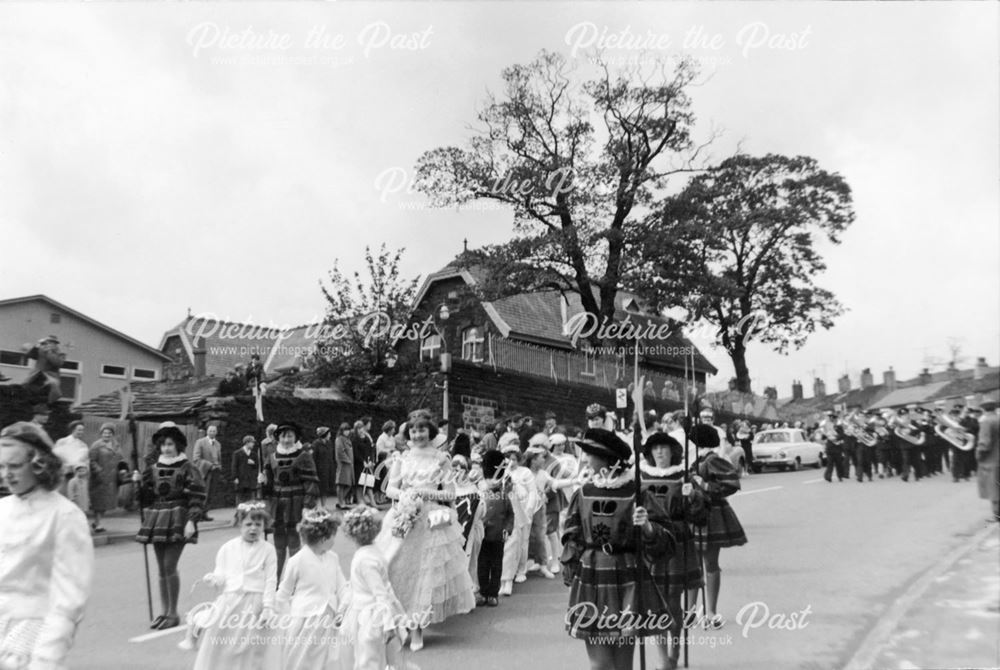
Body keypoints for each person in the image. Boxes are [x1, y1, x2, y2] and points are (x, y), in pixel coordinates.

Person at [561, 428, 677, 670]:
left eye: (590, 455)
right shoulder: (584, 492)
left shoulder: (637, 493)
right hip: (592, 575)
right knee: (600, 665)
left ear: (605, 459)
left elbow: (667, 543)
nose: (586, 460)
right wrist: (571, 566)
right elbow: (572, 534)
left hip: (628, 575)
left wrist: (646, 526)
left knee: (623, 664)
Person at [375, 411, 476, 651]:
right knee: (395, 567)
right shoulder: (403, 457)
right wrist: (407, 495)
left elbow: (450, 494)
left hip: (431, 519)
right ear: (408, 433)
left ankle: (417, 628)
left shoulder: (442, 458)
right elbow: (390, 489)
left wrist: (425, 493)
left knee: (424, 573)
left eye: (422, 430)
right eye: (413, 430)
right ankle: (394, 623)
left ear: (430, 432)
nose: (417, 434)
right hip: (404, 516)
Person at [0, 422, 95, 669]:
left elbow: (70, 596)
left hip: (32, 633)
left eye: (14, 466)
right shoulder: (2, 509)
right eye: (2, 466)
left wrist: (47, 657)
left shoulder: (64, 515)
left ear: (38, 464)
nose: (6, 474)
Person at [640, 432, 708, 670]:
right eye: (655, 448)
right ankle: (662, 659)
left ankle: (674, 652)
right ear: (650, 453)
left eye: (664, 448)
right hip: (651, 542)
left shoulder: (684, 477)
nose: (660, 452)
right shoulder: (641, 478)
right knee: (654, 603)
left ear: (673, 452)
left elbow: (700, 517)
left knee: (672, 602)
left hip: (677, 544)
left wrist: (693, 497)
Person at [183, 501, 277, 669]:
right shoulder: (228, 548)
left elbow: (271, 580)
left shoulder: (268, 550)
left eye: (258, 524)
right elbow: (221, 574)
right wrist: (214, 579)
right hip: (230, 600)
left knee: (249, 644)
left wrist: (268, 606)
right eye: (248, 524)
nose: (253, 528)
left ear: (264, 526)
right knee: (222, 639)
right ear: (240, 524)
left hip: (254, 602)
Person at [134, 422, 207, 630]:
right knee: (161, 569)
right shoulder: (154, 468)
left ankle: (173, 613)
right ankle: (164, 612)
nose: (166, 448)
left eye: (170, 445)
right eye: (163, 445)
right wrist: (138, 482)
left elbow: (198, 496)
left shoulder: (188, 468)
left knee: (169, 565)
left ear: (177, 446)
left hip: (178, 517)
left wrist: (192, 520)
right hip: (157, 516)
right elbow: (145, 497)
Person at [687, 424, 747, 630]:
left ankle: (711, 610)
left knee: (710, 563)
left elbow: (732, 484)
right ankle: (690, 610)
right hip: (694, 513)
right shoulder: (696, 460)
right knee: (693, 566)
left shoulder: (713, 460)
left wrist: (704, 486)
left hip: (711, 514)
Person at [275, 507, 349, 670]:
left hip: (329, 617)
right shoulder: (297, 561)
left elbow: (342, 585)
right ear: (323, 538)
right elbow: (284, 591)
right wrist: (279, 615)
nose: (334, 541)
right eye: (333, 536)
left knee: (329, 659)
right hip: (305, 620)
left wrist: (344, 605)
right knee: (302, 659)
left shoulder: (333, 558)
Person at [341, 506, 408, 670]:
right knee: (368, 657)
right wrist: (343, 607)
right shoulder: (373, 551)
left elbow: (380, 594)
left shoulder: (366, 560)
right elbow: (354, 585)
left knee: (369, 659)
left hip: (370, 617)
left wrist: (388, 623)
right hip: (365, 611)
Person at [263, 422, 319, 580]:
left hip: (296, 502)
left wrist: (308, 505)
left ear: (296, 438)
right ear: (277, 438)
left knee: (294, 543)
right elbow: (268, 484)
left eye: (289, 436)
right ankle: (274, 581)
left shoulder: (304, 456)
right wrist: (263, 482)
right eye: (283, 436)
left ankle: (295, 580)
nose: (286, 439)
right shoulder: (272, 456)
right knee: (278, 544)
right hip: (277, 504)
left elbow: (311, 482)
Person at [499, 435, 537, 595]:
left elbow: (533, 492)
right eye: (508, 459)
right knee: (509, 543)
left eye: (514, 459)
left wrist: (528, 510)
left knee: (523, 541)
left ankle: (521, 570)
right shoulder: (501, 472)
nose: (511, 462)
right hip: (508, 511)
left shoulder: (525, 472)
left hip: (523, 509)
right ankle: (506, 573)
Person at [452, 454, 486, 599]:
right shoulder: (449, 488)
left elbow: (482, 512)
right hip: (454, 532)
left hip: (473, 531)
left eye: (459, 470)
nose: (455, 473)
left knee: (472, 560)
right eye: (453, 470)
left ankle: (472, 590)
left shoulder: (475, 490)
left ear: (466, 471)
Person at [89, 422, 124, 533]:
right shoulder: (96, 445)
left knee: (106, 502)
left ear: (112, 434)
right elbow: (91, 460)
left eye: (109, 433)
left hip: (112, 478)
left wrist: (123, 468)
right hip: (99, 478)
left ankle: (96, 522)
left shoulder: (116, 445)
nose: (107, 435)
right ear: (101, 433)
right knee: (98, 501)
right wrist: (99, 471)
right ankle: (98, 523)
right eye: (104, 433)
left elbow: (121, 458)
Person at [53, 420, 91, 513]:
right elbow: (54, 457)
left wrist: (82, 467)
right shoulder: (62, 442)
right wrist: (65, 466)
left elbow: (85, 461)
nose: (81, 432)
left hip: (76, 475)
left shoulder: (83, 445)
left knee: (75, 498)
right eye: (79, 430)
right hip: (63, 474)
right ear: (73, 430)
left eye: (82, 430)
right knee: (62, 496)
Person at [20, 336, 65, 404]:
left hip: (51, 376)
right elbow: (31, 355)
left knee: (53, 392)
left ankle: (47, 405)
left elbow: (57, 362)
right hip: (37, 374)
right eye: (47, 342)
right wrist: (36, 346)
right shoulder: (41, 350)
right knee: (24, 386)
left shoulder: (60, 353)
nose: (48, 344)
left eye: (51, 343)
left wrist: (49, 352)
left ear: (55, 344)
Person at [192, 424, 223, 520]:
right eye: (210, 431)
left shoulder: (218, 444)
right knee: (203, 493)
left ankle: (205, 513)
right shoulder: (200, 442)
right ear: (207, 432)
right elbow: (196, 459)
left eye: (214, 431)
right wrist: (210, 465)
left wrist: (219, 466)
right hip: (204, 472)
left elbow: (219, 458)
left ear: (216, 432)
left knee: (211, 494)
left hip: (215, 472)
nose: (212, 433)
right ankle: (199, 514)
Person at [976, 401, 1000, 523]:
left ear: (984, 410)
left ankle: (996, 515)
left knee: (993, 488)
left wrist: (978, 454)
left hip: (991, 460)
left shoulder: (986, 421)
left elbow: (985, 443)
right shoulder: (998, 418)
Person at [352, 418, 376, 507]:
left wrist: (370, 461)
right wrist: (363, 462)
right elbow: (355, 453)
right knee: (359, 484)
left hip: (367, 464)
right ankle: (360, 502)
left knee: (369, 483)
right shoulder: (354, 440)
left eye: (361, 428)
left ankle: (373, 503)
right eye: (359, 428)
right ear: (356, 430)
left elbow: (370, 451)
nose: (361, 430)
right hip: (358, 464)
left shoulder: (367, 439)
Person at [231, 435, 262, 504]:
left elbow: (257, 467)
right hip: (240, 479)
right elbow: (234, 466)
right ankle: (240, 513)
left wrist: (253, 464)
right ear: (247, 443)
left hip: (250, 480)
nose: (253, 444)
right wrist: (235, 477)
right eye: (252, 442)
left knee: (251, 499)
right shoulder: (237, 453)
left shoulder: (254, 454)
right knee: (240, 499)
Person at [312, 427, 336, 504]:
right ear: (324, 434)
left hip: (328, 469)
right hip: (319, 469)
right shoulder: (316, 444)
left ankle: (323, 505)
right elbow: (313, 458)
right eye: (329, 434)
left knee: (325, 489)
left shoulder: (329, 443)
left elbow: (331, 456)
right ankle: (316, 506)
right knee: (318, 489)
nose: (330, 436)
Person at [335, 423, 355, 508]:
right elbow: (340, 452)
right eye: (345, 430)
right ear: (341, 430)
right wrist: (347, 460)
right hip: (343, 465)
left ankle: (340, 501)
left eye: (348, 429)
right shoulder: (339, 439)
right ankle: (341, 502)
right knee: (341, 484)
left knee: (348, 484)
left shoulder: (348, 439)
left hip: (349, 465)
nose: (347, 431)